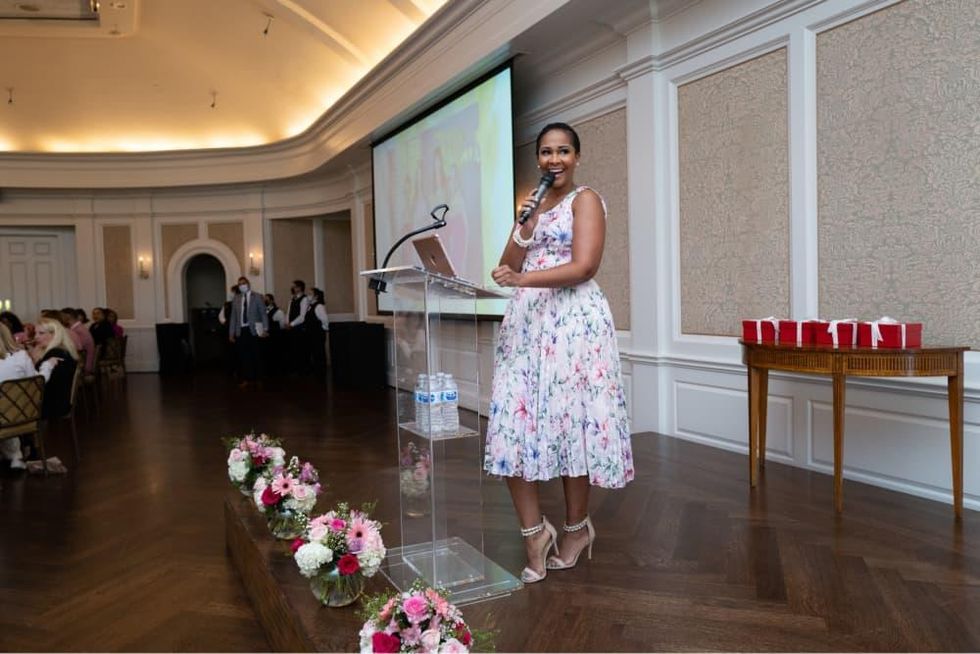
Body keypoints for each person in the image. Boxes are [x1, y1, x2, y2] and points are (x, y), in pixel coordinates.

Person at [484, 122, 634, 584]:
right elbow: (508, 264)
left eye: (563, 151)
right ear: (537, 159)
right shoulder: (531, 204)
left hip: (573, 325)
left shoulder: (585, 200)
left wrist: (523, 281)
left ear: (577, 156)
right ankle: (534, 533)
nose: (555, 160)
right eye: (547, 152)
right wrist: (524, 225)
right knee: (513, 425)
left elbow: (585, 265)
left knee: (572, 426)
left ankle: (575, 530)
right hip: (527, 326)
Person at [0, 323, 38, 470]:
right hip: (23, 414)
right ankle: (14, 455)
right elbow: (34, 383)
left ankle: (12, 454)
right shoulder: (22, 356)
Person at [30, 317, 79, 419]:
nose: (36, 337)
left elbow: (40, 382)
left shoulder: (56, 353)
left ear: (54, 335)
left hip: (53, 405)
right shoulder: (62, 350)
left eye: (41, 333)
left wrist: (36, 361)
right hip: (58, 401)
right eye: (35, 333)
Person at [228, 276, 268, 388]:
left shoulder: (257, 296)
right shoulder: (236, 298)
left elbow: (263, 314)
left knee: (256, 354)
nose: (242, 285)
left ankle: (259, 378)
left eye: (244, 283)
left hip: (254, 329)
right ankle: (247, 378)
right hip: (241, 330)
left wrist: (265, 329)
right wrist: (231, 333)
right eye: (240, 284)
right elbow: (233, 317)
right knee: (244, 356)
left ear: (248, 284)